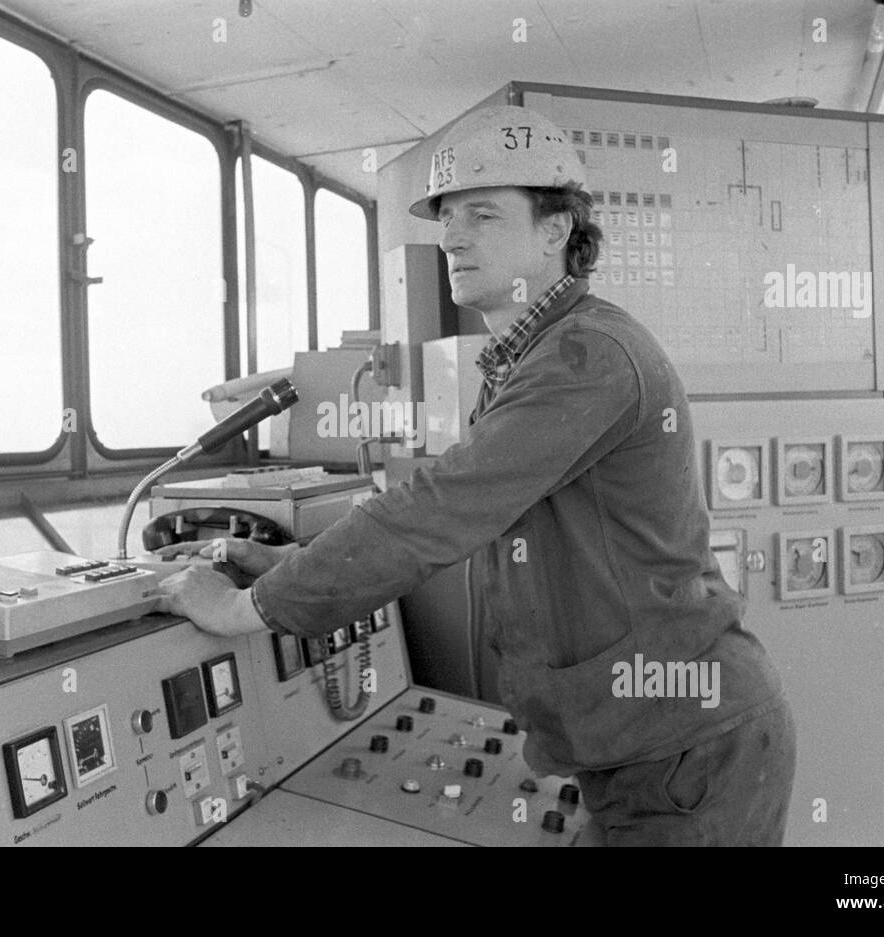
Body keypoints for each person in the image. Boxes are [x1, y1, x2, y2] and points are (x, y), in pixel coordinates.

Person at [150, 104, 796, 846]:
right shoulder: (533, 354)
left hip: (684, 754)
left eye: (483, 216)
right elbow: (467, 519)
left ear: (556, 231)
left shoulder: (586, 356)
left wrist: (248, 609)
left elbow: (440, 508)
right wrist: (294, 566)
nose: (452, 237)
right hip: (641, 747)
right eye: (448, 218)